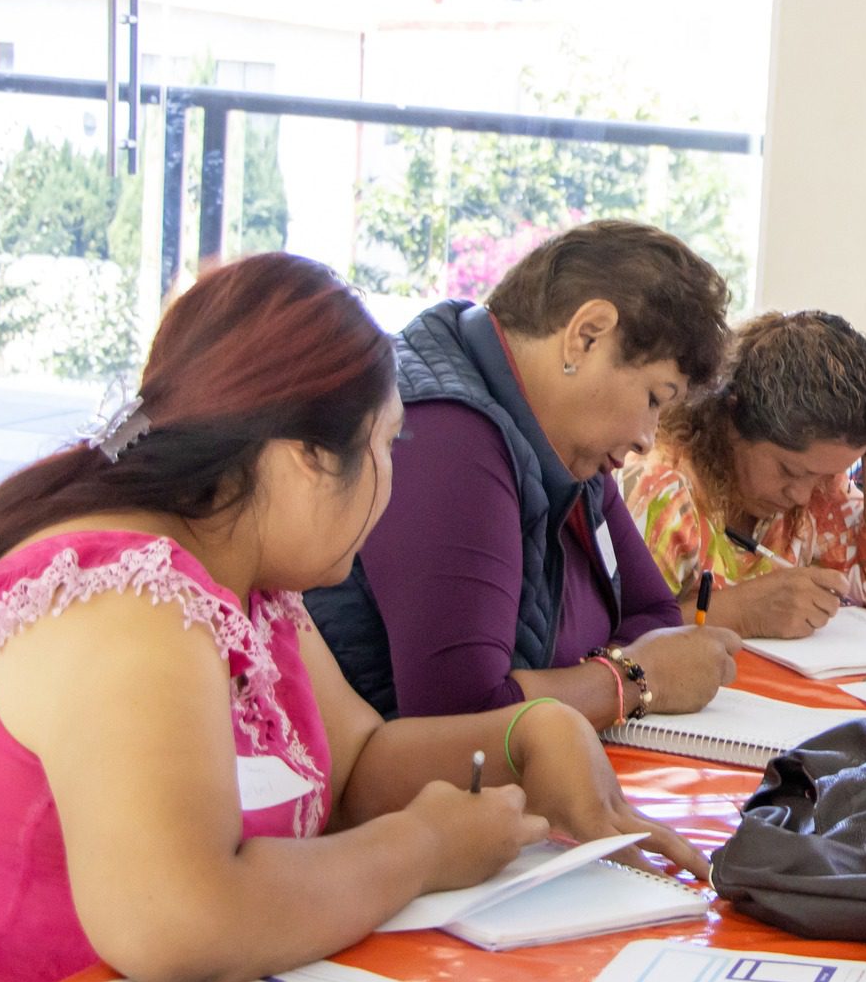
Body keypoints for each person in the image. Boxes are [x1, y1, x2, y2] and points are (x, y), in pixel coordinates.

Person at [0, 254, 707, 982]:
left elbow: (355, 761)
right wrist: (420, 847)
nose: (394, 483)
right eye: (387, 448)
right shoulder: (129, 603)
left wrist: (529, 734)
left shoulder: (245, 583)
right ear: (301, 459)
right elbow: (181, 918)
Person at [307, 220, 742, 728]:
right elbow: (462, 717)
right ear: (586, 335)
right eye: (653, 398)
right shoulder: (448, 436)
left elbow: (652, 616)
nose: (649, 437)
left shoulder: (562, 447)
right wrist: (635, 680)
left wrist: (559, 685)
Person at [620, 312, 866, 638]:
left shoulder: (818, 487)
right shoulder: (661, 491)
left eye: (825, 476)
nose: (801, 495)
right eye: (789, 471)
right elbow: (606, 644)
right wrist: (738, 613)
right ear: (732, 419)